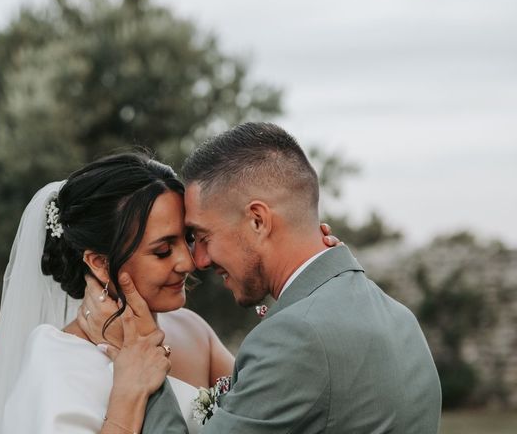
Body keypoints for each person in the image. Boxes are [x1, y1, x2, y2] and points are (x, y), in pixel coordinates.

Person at [98, 123, 442, 433]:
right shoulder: (398, 317)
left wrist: (146, 370)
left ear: (258, 221)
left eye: (202, 236)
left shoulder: (298, 336)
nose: (198, 260)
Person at [0, 150, 343, 434]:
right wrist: (128, 393)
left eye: (188, 239)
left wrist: (306, 263)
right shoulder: (55, 359)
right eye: (163, 250)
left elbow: (277, 410)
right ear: (99, 262)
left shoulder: (191, 330)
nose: (188, 261)